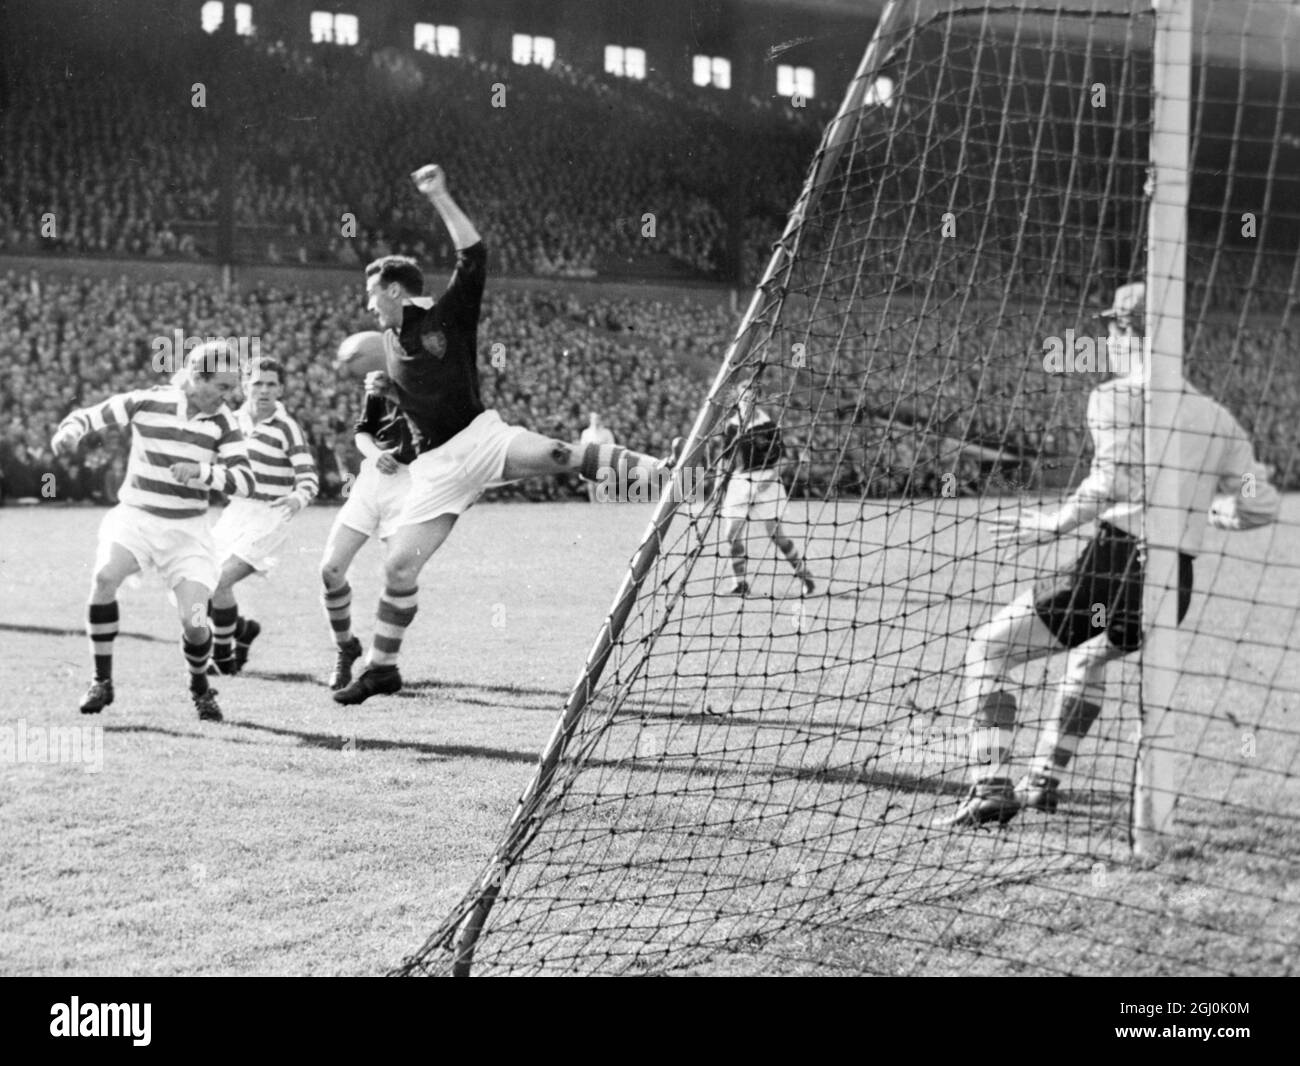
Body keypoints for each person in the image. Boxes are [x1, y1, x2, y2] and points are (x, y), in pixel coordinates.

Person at [941, 284, 1281, 828]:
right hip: (1175, 582)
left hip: (1115, 565)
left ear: (1126, 331)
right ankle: (1043, 781)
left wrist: (1053, 525)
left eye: (1112, 330)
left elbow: (1114, 481)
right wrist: (1214, 514)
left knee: (988, 650)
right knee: (1091, 657)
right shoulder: (1218, 419)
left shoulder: (1115, 397)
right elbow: (1258, 502)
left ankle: (992, 784)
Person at [334, 164, 670, 705]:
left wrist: (440, 194)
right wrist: (382, 392)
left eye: (373, 294)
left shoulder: (449, 315)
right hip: (436, 467)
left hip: (483, 438)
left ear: (395, 290)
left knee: (560, 452)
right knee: (398, 565)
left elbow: (474, 256)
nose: (369, 304)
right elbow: (407, 391)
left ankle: (663, 475)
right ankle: (382, 668)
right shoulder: (388, 343)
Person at [50, 342, 255, 722]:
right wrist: (69, 433)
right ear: (197, 377)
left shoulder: (225, 423)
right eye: (224, 386)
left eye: (234, 387)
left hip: (188, 533)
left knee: (195, 624)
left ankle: (199, 686)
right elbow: (90, 415)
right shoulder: (148, 401)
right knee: (105, 576)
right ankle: (101, 681)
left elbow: (245, 481)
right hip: (137, 518)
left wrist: (204, 472)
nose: (232, 395)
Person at [208, 357, 318, 674]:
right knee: (200, 581)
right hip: (236, 512)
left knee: (220, 581)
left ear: (281, 389)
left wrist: (298, 499)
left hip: (270, 515)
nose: (264, 390)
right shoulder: (229, 422)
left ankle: (223, 659)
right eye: (258, 383)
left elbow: (309, 477)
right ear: (245, 386)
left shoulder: (287, 428)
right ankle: (242, 630)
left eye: (271, 384)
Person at [319, 369, 418, 690]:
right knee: (331, 570)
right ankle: (346, 647)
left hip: (413, 482)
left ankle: (382, 665)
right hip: (372, 480)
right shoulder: (382, 377)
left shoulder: (437, 377)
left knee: (399, 575)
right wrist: (376, 455)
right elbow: (363, 430)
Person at [718, 383, 815, 597]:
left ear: (758, 401)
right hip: (740, 482)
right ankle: (740, 583)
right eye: (744, 398)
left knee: (776, 535)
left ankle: (804, 575)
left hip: (767, 481)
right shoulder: (731, 426)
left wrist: (767, 481)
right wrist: (719, 486)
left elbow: (784, 461)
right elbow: (726, 461)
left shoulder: (769, 426)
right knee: (731, 534)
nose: (747, 403)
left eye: (752, 399)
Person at [579, 411, 616, 502]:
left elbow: (612, 445)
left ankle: (604, 502)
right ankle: (593, 502)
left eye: (598, 419)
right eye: (594, 418)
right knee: (591, 483)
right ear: (590, 420)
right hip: (590, 459)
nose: (596, 421)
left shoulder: (606, 432)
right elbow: (583, 446)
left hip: (603, 459)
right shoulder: (586, 433)